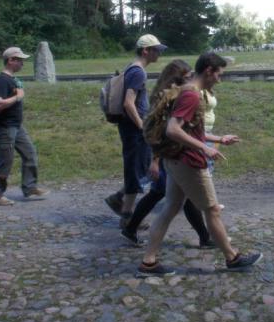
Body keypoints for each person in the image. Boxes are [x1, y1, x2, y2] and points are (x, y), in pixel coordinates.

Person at [137, 52, 261, 277]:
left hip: (175, 160)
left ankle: (148, 262)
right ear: (208, 71)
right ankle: (232, 258)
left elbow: (191, 129)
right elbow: (173, 129)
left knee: (170, 209)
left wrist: (218, 139)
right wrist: (204, 148)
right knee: (212, 209)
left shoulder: (188, 92)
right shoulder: (192, 95)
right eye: (219, 74)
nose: (220, 80)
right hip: (188, 162)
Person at [120, 59, 211, 248]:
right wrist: (155, 161)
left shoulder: (172, 95)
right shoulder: (168, 98)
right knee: (162, 194)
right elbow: (160, 133)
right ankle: (132, 230)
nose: (191, 80)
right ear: (177, 78)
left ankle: (204, 237)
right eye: (187, 77)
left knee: (180, 197)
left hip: (171, 154)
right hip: (166, 154)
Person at [104, 34, 166, 224]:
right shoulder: (138, 71)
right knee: (136, 169)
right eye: (156, 49)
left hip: (131, 127)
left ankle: (120, 200)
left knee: (140, 168)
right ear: (145, 51)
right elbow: (129, 103)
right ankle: (127, 217)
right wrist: (143, 128)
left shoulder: (132, 68)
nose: (159, 53)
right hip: (134, 129)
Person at [0, 47, 48, 205]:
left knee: (30, 153)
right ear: (11, 60)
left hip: (16, 126)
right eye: (20, 60)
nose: (23, 63)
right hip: (5, 128)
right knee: (5, 162)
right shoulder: (2, 80)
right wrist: (18, 97)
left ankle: (29, 188)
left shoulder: (11, 79)